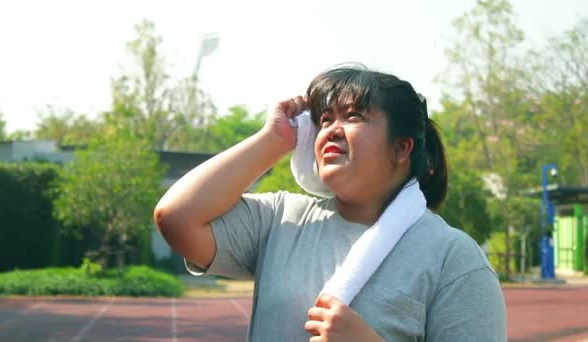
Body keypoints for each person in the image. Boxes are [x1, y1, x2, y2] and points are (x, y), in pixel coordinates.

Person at [154, 65, 507, 341]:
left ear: (401, 148)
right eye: (324, 120)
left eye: (354, 116)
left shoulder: (452, 257)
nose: (332, 129)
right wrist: (274, 139)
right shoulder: (281, 220)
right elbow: (177, 218)